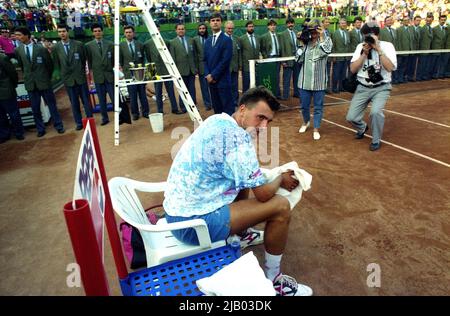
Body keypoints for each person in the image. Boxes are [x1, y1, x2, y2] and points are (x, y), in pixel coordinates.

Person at [163, 86, 313, 296]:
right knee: (280, 207)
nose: (263, 126)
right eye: (259, 117)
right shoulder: (238, 140)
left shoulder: (218, 120)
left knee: (242, 180)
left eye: (268, 121)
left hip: (176, 213)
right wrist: (280, 178)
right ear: (243, 109)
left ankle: (243, 234)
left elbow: (245, 175)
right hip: (192, 225)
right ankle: (274, 280)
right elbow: (262, 194)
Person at [346, 21, 397, 152]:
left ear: (377, 34)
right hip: (363, 86)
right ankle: (362, 128)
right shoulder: (360, 47)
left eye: (370, 35)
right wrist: (364, 53)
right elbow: (352, 69)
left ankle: (376, 140)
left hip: (381, 87)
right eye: (365, 35)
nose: (368, 38)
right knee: (351, 117)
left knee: (375, 112)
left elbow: (390, 67)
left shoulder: (387, 46)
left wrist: (378, 49)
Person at [14, 27, 65, 137]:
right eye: (16, 35)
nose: (17, 37)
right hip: (31, 84)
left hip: (44, 82)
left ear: (27, 35)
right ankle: (40, 129)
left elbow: (49, 65)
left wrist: (45, 77)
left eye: (19, 35)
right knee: (35, 108)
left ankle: (59, 125)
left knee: (52, 105)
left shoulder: (41, 49)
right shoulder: (18, 50)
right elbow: (22, 66)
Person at [296, 20, 333, 141]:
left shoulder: (326, 41)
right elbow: (298, 59)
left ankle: (316, 128)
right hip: (304, 81)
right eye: (312, 31)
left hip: (319, 81)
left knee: (318, 107)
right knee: (304, 106)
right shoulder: (305, 43)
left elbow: (326, 50)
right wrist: (300, 42)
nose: (314, 34)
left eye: (316, 31)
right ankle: (306, 122)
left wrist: (322, 36)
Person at [52, 24, 92, 131]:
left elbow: (83, 60)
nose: (62, 33)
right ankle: (79, 123)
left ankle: (90, 120)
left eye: (64, 31)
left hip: (80, 77)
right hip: (68, 80)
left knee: (86, 101)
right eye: (60, 32)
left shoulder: (79, 44)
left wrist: (80, 71)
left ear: (68, 32)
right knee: (74, 103)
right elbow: (56, 64)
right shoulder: (56, 48)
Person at [143, 23, 182, 114]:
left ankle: (175, 109)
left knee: (170, 90)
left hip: (166, 68)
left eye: (157, 29)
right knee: (157, 90)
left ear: (159, 30)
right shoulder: (147, 44)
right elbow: (148, 57)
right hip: (152, 68)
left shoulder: (167, 42)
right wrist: (152, 68)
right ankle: (160, 110)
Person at [203, 13, 233, 115]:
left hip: (223, 80)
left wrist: (213, 75)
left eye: (217, 20)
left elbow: (225, 61)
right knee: (217, 110)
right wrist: (208, 75)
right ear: (209, 23)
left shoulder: (227, 40)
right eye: (213, 20)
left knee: (227, 110)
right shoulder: (207, 41)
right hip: (211, 82)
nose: (215, 22)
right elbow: (205, 60)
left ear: (221, 22)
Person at [85, 23, 114, 126]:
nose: (97, 32)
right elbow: (89, 61)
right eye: (95, 31)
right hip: (98, 76)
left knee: (114, 97)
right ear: (92, 33)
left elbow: (114, 60)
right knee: (101, 99)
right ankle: (104, 118)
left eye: (99, 31)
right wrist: (92, 76)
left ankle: (119, 116)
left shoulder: (110, 44)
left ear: (102, 32)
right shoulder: (88, 46)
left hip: (110, 76)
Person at [119, 25, 150, 120]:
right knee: (132, 95)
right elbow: (120, 60)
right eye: (127, 32)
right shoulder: (121, 46)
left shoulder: (140, 44)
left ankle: (145, 112)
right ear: (124, 34)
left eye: (130, 32)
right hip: (129, 74)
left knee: (142, 94)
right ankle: (135, 114)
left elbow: (143, 58)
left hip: (140, 73)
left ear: (133, 33)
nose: (128, 34)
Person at [169, 23, 196, 114]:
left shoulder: (191, 40)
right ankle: (183, 107)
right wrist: (175, 72)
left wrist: (195, 67)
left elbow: (194, 55)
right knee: (183, 90)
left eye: (183, 29)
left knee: (192, 89)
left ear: (185, 30)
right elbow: (172, 58)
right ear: (176, 31)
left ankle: (193, 107)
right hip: (180, 71)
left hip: (191, 69)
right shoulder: (172, 42)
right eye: (179, 29)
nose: (181, 30)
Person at [0, 53, 25, 143]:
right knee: (1, 116)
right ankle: (4, 135)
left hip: (6, 91)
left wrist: (12, 85)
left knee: (13, 114)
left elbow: (12, 73)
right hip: (6, 91)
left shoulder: (2, 57)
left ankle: (19, 133)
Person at [260, 19, 282, 99]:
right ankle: (270, 95)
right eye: (271, 25)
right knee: (270, 77)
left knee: (277, 76)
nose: (273, 27)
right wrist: (266, 57)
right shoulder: (264, 36)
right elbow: (262, 49)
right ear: (268, 26)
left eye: (274, 25)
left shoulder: (278, 35)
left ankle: (277, 94)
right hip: (270, 58)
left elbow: (281, 47)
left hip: (278, 58)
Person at [279, 17, 300, 100]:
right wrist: (283, 60)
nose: (291, 24)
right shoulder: (283, 34)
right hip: (287, 60)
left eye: (292, 23)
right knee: (286, 78)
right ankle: (285, 95)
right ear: (286, 24)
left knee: (297, 77)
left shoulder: (296, 32)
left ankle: (296, 93)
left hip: (296, 59)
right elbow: (282, 48)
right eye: (289, 23)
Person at [193, 23, 212, 111]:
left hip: (211, 66)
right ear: (198, 30)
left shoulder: (210, 38)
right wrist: (196, 67)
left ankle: (214, 102)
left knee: (212, 85)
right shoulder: (195, 40)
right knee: (204, 87)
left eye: (203, 28)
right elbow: (195, 55)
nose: (202, 30)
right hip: (201, 67)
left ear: (206, 29)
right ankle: (207, 104)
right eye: (200, 28)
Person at [240, 21, 260, 93]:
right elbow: (240, 53)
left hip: (256, 65)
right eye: (249, 27)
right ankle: (245, 100)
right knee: (246, 84)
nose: (251, 28)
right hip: (246, 66)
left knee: (257, 84)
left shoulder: (257, 37)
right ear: (246, 28)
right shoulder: (242, 39)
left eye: (252, 26)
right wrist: (241, 65)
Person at [224, 21, 241, 110]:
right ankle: (227, 102)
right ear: (225, 28)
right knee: (226, 86)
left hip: (234, 67)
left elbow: (239, 53)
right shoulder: (221, 38)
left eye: (231, 28)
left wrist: (239, 64)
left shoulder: (236, 39)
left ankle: (235, 101)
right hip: (225, 68)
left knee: (235, 85)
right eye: (228, 28)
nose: (230, 30)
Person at [331, 18, 350, 93]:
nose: (343, 24)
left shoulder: (347, 33)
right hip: (338, 57)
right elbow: (333, 45)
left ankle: (341, 87)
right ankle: (334, 88)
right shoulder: (335, 33)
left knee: (343, 73)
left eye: (344, 23)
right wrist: (334, 56)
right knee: (336, 73)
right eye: (342, 23)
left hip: (345, 57)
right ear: (339, 24)